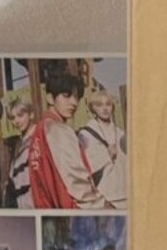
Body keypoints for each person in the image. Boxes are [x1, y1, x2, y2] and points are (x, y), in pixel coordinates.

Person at [28, 71, 116, 210]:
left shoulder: (39, 130)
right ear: (50, 98)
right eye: (66, 95)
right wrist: (103, 206)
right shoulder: (58, 130)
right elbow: (76, 181)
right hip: (70, 211)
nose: (74, 102)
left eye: (76, 97)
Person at [77, 87, 128, 210]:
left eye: (108, 104)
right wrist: (106, 155)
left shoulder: (120, 133)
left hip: (124, 193)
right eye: (99, 105)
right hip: (104, 196)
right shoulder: (86, 134)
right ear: (93, 108)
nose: (105, 108)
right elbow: (85, 165)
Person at [4, 99, 36, 208]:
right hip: (22, 204)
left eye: (20, 115)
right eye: (12, 118)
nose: (16, 121)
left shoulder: (38, 138)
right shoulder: (19, 144)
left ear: (31, 115)